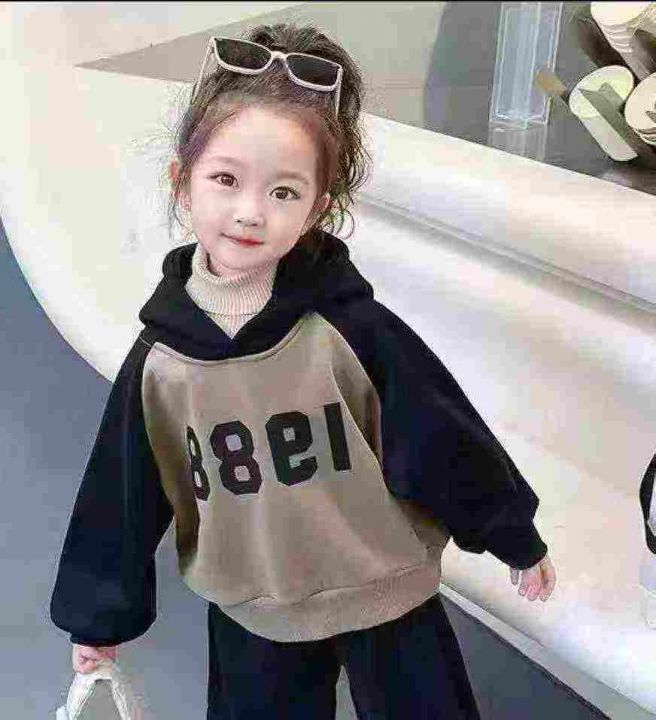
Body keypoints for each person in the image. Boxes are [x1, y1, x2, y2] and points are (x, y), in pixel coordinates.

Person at [49, 22, 557, 719]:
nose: (250, 212)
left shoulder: (349, 331)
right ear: (182, 182)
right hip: (256, 608)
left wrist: (512, 534)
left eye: (284, 192)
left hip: (386, 590)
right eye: (226, 180)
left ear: (319, 206)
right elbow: (123, 490)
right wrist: (97, 615)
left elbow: (441, 436)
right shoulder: (162, 363)